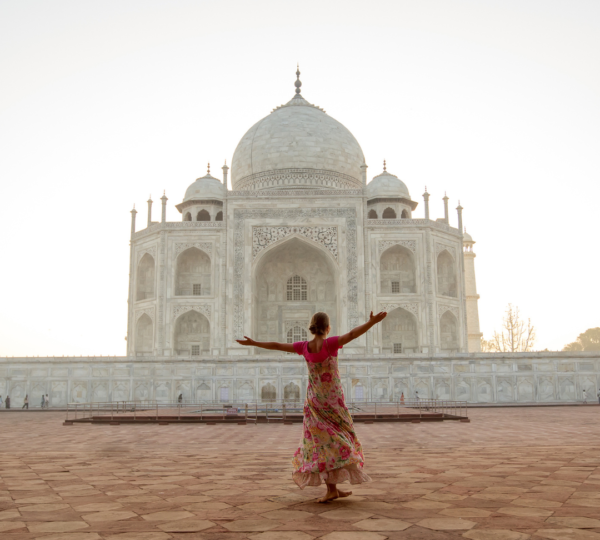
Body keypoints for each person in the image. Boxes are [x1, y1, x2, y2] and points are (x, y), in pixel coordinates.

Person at [237, 310, 387, 503]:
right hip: (333, 402)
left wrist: (254, 343)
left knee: (321, 444)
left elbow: (276, 345)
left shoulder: (304, 347)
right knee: (340, 439)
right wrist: (372, 323)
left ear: (312, 327)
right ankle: (332, 488)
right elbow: (352, 335)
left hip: (314, 402)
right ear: (327, 328)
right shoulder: (330, 343)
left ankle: (332, 487)